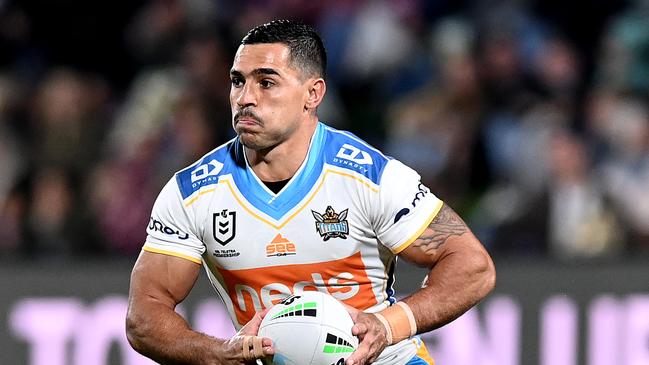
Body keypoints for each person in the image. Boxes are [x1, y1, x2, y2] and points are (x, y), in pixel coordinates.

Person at [126, 19, 496, 365]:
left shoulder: (369, 176)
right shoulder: (193, 192)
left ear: (312, 94)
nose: (245, 98)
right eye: (238, 81)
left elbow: (472, 267)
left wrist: (387, 325)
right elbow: (144, 316)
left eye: (266, 83)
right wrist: (218, 352)